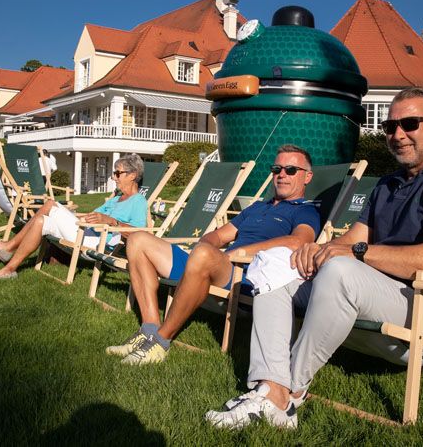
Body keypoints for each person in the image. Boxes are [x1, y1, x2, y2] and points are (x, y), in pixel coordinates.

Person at [205, 87, 423, 430]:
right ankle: (269, 386)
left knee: (340, 269)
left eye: (409, 124)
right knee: (275, 263)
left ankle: (288, 393)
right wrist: (316, 251)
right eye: (389, 126)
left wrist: (352, 254)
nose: (397, 135)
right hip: (375, 296)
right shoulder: (388, 185)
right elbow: (352, 240)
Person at [106, 144, 321, 365]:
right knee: (138, 240)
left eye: (291, 170)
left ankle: (160, 342)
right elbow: (217, 237)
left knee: (203, 255)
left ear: (307, 177)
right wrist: (205, 247)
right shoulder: (257, 208)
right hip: (215, 263)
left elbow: (299, 241)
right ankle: (149, 329)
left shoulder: (305, 210)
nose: (282, 175)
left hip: (244, 275)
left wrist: (239, 252)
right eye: (277, 169)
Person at [0, 153, 148, 282]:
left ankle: (9, 247)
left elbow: (140, 234)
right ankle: (10, 269)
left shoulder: (138, 202)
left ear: (132, 175)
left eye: (118, 173)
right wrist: (82, 217)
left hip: (98, 242)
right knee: (42, 221)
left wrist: (111, 221)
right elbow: (93, 216)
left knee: (50, 205)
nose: (114, 177)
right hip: (86, 232)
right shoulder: (116, 198)